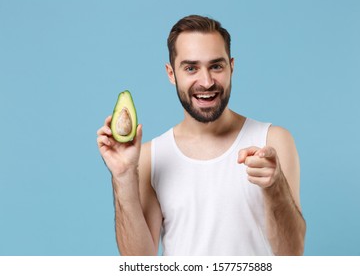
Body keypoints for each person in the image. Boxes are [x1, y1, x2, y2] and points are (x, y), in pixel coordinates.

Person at [97, 15, 306, 256]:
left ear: (232, 67)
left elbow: (292, 254)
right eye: (191, 68)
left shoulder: (273, 141)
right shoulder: (149, 158)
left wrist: (275, 186)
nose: (206, 82)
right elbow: (140, 264)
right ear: (171, 73)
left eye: (216, 66)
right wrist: (123, 177)